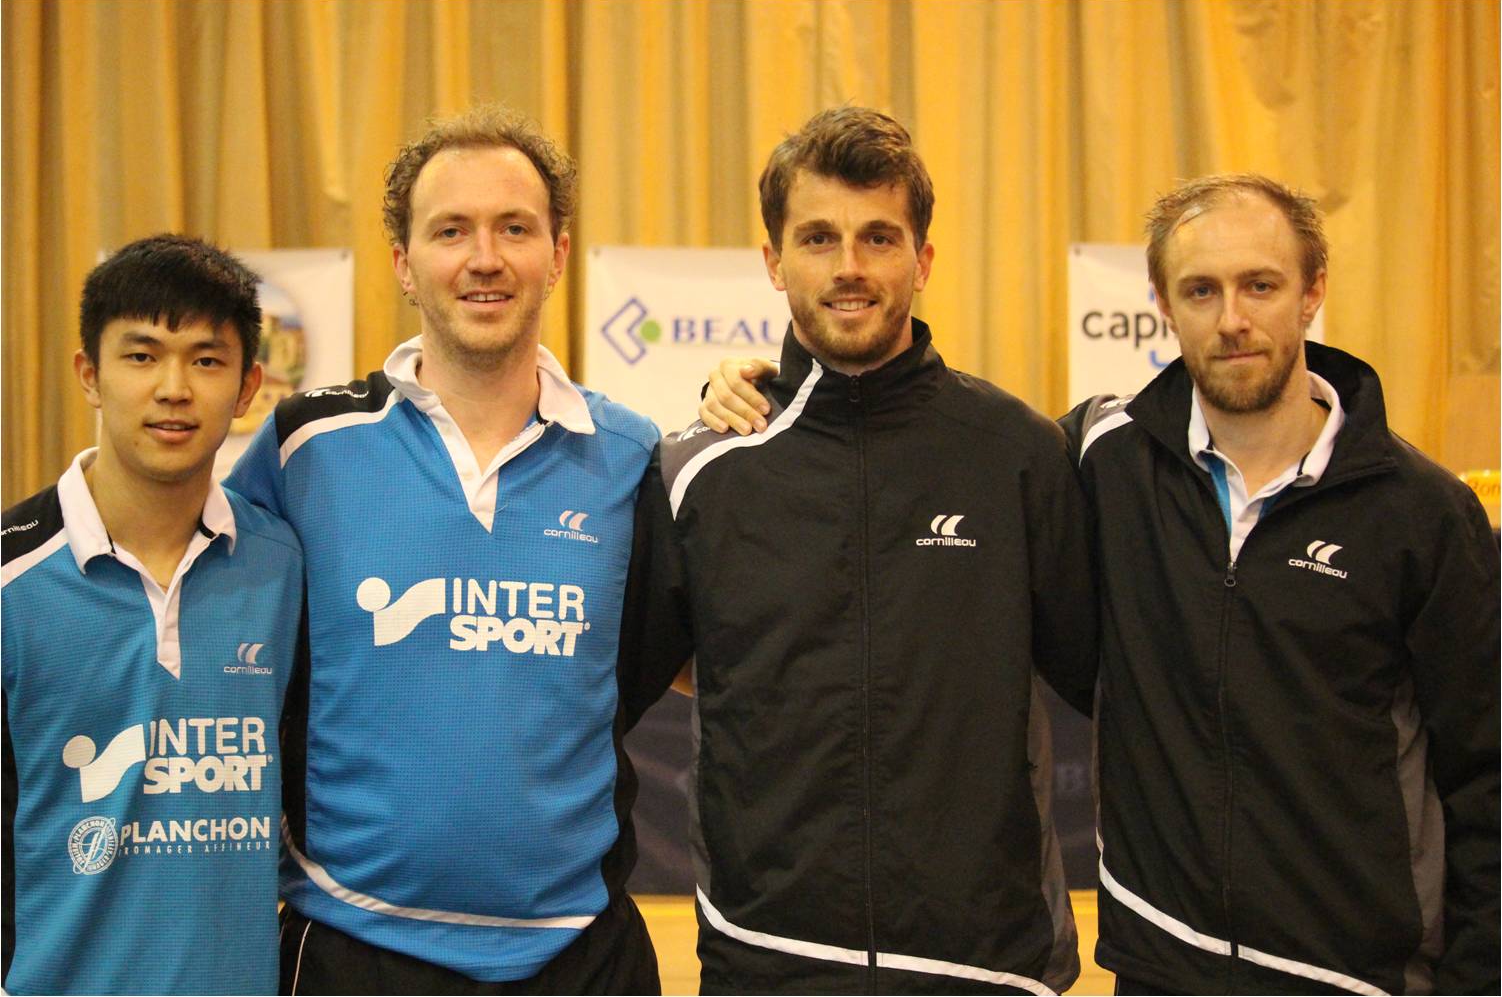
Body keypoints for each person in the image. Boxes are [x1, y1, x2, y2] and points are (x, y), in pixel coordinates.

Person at [704, 172, 1502, 994]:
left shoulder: (1423, 512)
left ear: (1313, 292)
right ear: (1163, 305)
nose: (1233, 319)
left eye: (1260, 285)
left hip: (1358, 978)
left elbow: (1485, 774)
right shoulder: (1096, 458)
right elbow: (902, 447)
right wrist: (761, 389)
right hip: (1161, 965)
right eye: (1201, 290)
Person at [632, 106, 1098, 994]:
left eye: (878, 237)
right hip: (769, 958)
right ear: (774, 262)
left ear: (923, 260)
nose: (848, 266)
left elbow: (1098, 672)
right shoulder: (702, 469)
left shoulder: (1020, 453)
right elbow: (675, 668)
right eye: (818, 238)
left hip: (988, 958)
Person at [226, 105, 678, 994]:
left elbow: (675, 664)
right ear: (403, 262)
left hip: (581, 958)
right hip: (354, 950)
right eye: (450, 231)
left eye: (515, 228)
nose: (485, 257)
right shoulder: (303, 446)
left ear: (557, 253)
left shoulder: (630, 456)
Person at [2, 235, 302, 994]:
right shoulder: (10, 579)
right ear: (90, 374)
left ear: (249, 386)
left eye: (206, 360)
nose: (174, 388)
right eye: (141, 356)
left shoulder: (286, 567)